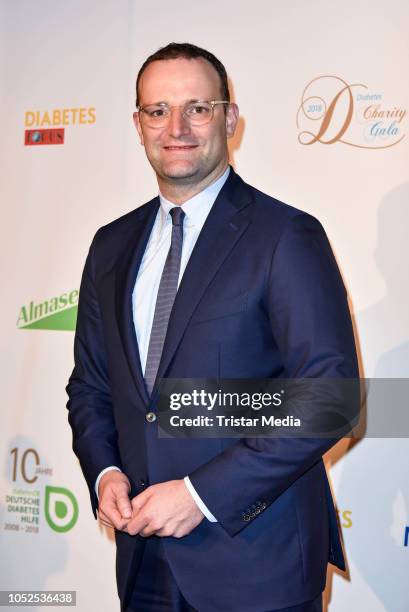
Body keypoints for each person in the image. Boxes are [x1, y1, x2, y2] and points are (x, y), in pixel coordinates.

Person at [66, 42, 358, 612]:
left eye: (197, 107)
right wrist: (105, 472)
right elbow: (93, 386)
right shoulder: (111, 246)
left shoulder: (285, 236)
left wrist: (199, 496)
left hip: (257, 563)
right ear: (138, 124)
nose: (176, 126)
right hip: (143, 560)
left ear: (228, 117)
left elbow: (330, 399)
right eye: (158, 111)